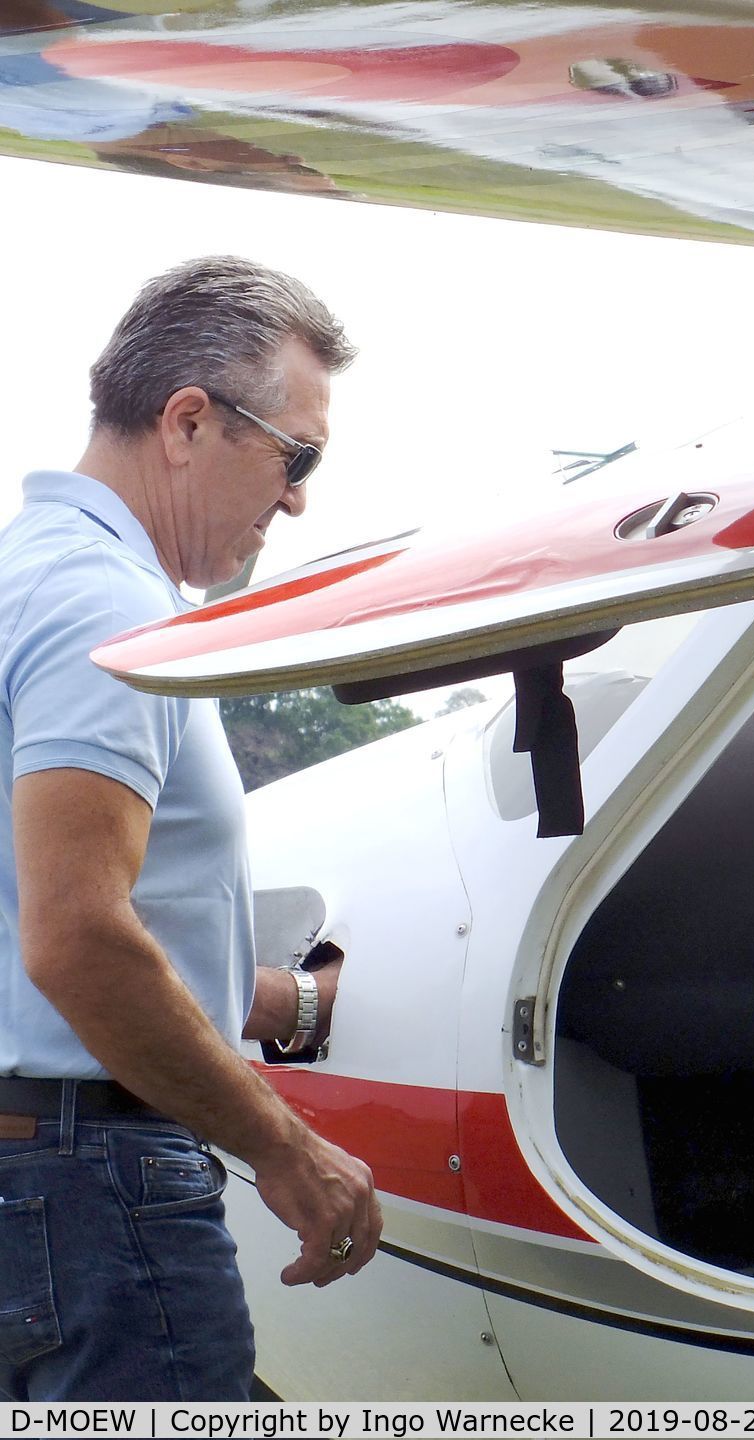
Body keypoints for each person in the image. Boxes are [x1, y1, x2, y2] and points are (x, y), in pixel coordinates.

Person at [0, 256, 382, 1400]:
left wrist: (279, 1001)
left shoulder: (26, 577)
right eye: (295, 456)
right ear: (188, 421)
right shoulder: (109, 610)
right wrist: (286, 1147)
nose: (300, 496)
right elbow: (75, 937)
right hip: (96, 1188)